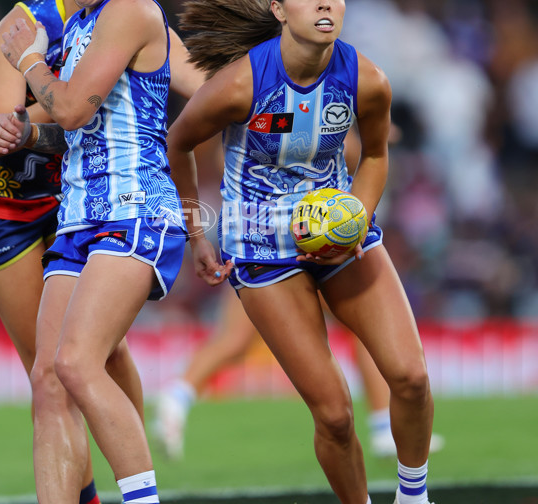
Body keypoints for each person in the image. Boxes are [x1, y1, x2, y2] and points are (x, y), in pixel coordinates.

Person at [166, 0, 464, 504]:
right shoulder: (243, 84)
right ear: (280, 11)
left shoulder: (367, 79)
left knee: (409, 375)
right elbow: (178, 142)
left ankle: (414, 501)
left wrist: (357, 212)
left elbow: (377, 156)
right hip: (260, 249)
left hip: (339, 239)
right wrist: (199, 231)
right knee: (331, 411)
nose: (326, 2)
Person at [0, 0, 196, 504]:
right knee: (48, 375)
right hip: (80, 217)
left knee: (78, 363)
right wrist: (23, 135)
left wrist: (29, 68)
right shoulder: (78, 26)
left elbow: (75, 107)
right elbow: (73, 127)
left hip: (134, 210)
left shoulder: (132, 10)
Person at [0, 0, 129, 504]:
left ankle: (140, 502)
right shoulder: (27, 25)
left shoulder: (131, 21)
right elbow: (6, 133)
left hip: (75, 204)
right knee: (52, 368)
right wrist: (52, 117)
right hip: (0, 209)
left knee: (108, 352)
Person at [154, 129, 444, 461]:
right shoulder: (317, 113)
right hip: (292, 244)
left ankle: (178, 396)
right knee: (358, 330)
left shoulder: (271, 108)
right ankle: (381, 425)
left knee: (234, 340)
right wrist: (369, 141)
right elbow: (345, 154)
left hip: (265, 238)